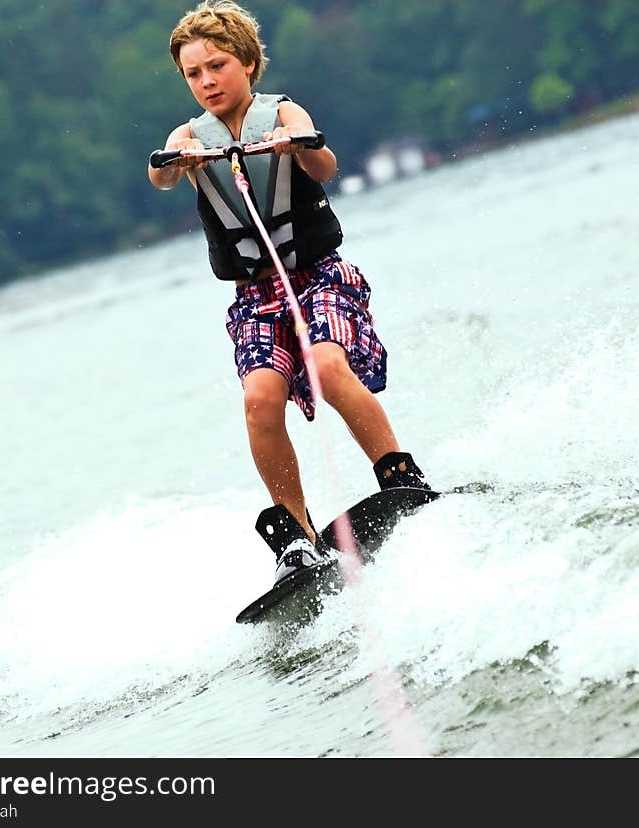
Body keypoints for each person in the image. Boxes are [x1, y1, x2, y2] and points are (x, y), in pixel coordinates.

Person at [149, 0, 429, 585]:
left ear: (247, 63)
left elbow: (322, 162)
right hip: (256, 296)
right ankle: (296, 535)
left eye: (217, 66)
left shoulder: (281, 111)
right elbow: (162, 174)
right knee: (258, 401)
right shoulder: (187, 134)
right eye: (193, 74)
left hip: (317, 277)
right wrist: (179, 161)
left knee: (327, 367)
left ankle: (399, 473)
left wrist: (295, 144)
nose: (206, 81)